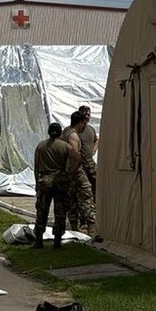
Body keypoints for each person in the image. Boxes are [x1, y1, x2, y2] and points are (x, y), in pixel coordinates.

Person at [31, 120, 78, 247]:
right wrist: (69, 172)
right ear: (60, 133)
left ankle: (39, 240)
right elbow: (77, 158)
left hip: (45, 181)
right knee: (60, 211)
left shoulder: (41, 146)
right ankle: (57, 240)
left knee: (42, 210)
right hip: (60, 181)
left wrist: (37, 183)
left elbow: (36, 166)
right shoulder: (65, 146)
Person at [66, 105, 99, 233]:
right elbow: (74, 154)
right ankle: (88, 225)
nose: (87, 118)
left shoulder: (90, 130)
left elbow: (96, 140)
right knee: (83, 195)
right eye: (84, 116)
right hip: (78, 169)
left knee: (91, 194)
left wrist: (93, 150)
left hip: (89, 165)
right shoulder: (73, 133)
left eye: (88, 115)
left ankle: (87, 223)